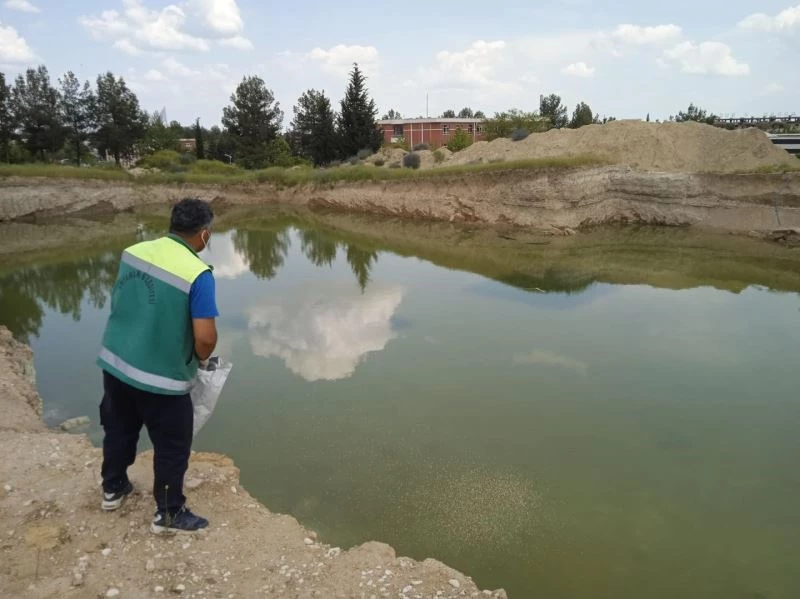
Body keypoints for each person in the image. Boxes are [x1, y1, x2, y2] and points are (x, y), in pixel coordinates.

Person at [96, 198, 219, 535]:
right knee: (172, 446)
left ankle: (113, 488)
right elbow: (205, 338)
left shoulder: (133, 251)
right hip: (162, 379)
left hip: (117, 363)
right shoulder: (198, 273)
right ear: (204, 234)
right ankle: (169, 513)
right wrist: (201, 360)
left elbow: (129, 302)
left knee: (119, 429)